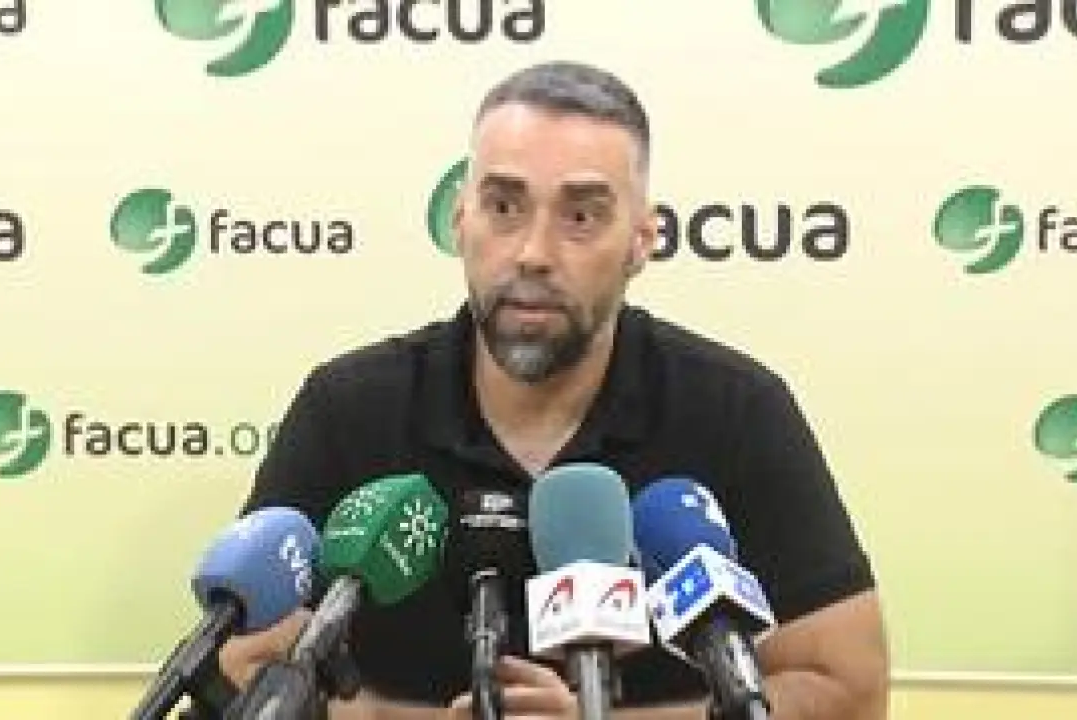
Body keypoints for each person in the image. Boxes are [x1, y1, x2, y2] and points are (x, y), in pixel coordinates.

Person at [200, 60, 890, 720]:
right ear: (459, 220)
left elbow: (847, 690)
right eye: (504, 206)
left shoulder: (736, 411)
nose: (533, 252)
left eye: (581, 216)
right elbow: (243, 665)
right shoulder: (349, 409)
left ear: (642, 240)